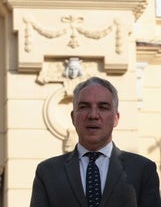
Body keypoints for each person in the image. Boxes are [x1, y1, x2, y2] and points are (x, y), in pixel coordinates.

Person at [30, 76, 161, 207]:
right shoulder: (48, 172)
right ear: (73, 117)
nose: (93, 115)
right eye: (84, 107)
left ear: (116, 118)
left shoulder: (143, 170)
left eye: (103, 107)